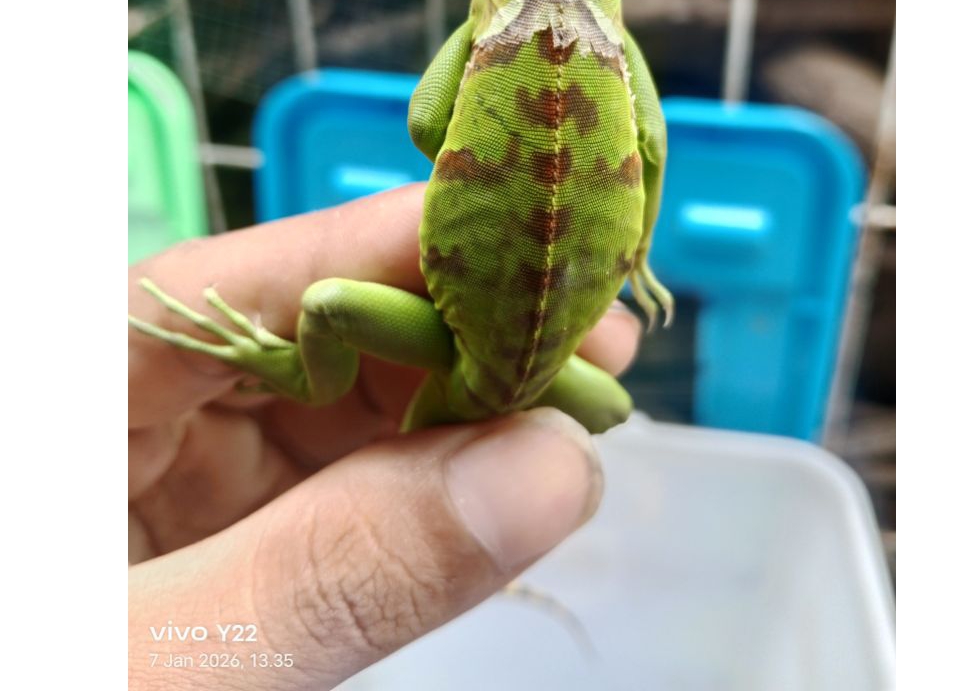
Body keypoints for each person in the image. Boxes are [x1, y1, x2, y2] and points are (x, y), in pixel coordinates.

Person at [128, 183, 641, 688]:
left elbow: (425, 122)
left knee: (331, 305)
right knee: (332, 305)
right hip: (497, 367)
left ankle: (300, 376)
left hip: (466, 361)